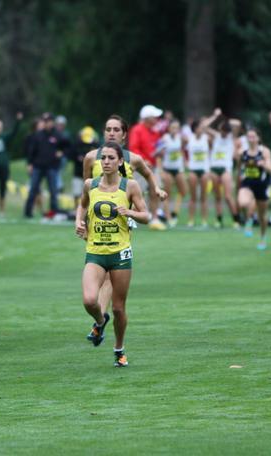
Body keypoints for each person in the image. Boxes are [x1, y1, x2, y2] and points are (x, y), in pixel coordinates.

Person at [82, 114, 167, 319]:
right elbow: (87, 189)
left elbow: (147, 173)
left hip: (123, 217)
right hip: (97, 217)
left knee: (111, 269)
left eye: (116, 130)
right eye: (108, 129)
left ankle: (99, 318)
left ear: (124, 135)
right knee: (98, 264)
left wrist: (156, 189)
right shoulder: (91, 157)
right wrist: (82, 219)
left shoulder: (133, 159)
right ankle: (100, 316)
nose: (111, 133)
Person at [75, 141, 149, 367]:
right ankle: (100, 320)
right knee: (89, 300)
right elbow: (83, 205)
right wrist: (79, 223)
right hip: (95, 251)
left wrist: (130, 213)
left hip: (120, 254)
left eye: (110, 158)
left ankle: (119, 349)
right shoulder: (91, 184)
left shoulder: (130, 186)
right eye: (103, 158)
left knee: (118, 307)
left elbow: (147, 216)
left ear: (120, 162)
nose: (106, 162)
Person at [128, 105, 167, 230]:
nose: (157, 119)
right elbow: (133, 148)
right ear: (147, 118)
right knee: (137, 193)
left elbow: (155, 148)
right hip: (139, 168)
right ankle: (133, 218)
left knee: (155, 191)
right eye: (154, 116)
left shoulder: (155, 132)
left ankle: (154, 219)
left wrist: (160, 152)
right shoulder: (137, 129)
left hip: (153, 167)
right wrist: (143, 160)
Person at [24, 113, 69, 219]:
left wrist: (62, 153)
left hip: (51, 167)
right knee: (33, 189)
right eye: (45, 121)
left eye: (48, 121)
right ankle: (28, 212)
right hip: (38, 167)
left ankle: (54, 211)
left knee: (53, 190)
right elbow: (31, 151)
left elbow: (68, 146)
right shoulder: (38, 135)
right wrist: (30, 163)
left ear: (52, 122)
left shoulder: (58, 135)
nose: (46, 123)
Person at [235, 128, 271, 250]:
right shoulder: (242, 152)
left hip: (262, 184)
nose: (251, 139)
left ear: (258, 138)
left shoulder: (264, 152)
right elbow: (239, 166)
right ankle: (249, 218)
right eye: (249, 137)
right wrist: (239, 176)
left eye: (253, 137)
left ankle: (263, 238)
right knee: (242, 202)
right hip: (247, 183)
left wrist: (264, 165)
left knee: (262, 216)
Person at [207, 114, 239, 228]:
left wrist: (226, 121)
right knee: (217, 196)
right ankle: (219, 219)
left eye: (225, 131)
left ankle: (236, 219)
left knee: (228, 196)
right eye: (222, 131)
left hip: (226, 169)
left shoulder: (231, 137)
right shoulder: (216, 136)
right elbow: (204, 127)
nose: (223, 133)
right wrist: (215, 116)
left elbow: (237, 123)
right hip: (214, 168)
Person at [156, 119, 187, 227]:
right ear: (169, 128)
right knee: (167, 194)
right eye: (173, 127)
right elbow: (159, 155)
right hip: (167, 169)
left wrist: (184, 161)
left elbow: (182, 150)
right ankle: (168, 217)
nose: (175, 130)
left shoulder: (180, 138)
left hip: (178, 168)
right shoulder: (165, 139)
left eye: (177, 128)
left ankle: (174, 213)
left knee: (183, 191)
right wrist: (160, 171)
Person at [186, 119, 211, 228]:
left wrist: (214, 117)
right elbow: (179, 150)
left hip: (204, 170)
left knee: (204, 197)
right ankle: (191, 220)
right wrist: (184, 161)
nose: (202, 129)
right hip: (193, 170)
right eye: (200, 127)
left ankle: (204, 220)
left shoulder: (207, 138)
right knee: (193, 197)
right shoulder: (188, 139)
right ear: (195, 129)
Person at [72, 126, 100, 208]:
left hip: (90, 175)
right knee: (77, 193)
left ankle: (88, 209)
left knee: (90, 193)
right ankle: (76, 209)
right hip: (78, 172)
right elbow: (71, 154)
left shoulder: (95, 145)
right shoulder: (77, 145)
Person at [55, 115, 71, 192]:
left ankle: (59, 186)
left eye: (61, 125)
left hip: (63, 157)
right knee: (56, 171)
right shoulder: (54, 133)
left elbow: (68, 148)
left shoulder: (66, 135)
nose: (60, 126)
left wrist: (62, 153)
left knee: (57, 171)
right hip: (54, 157)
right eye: (58, 124)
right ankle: (59, 186)